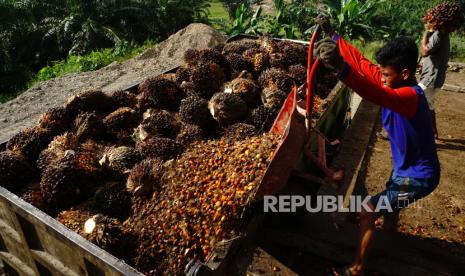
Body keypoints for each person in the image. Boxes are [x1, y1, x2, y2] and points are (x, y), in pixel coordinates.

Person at [314, 15, 441, 276]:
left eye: (386, 74)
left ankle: (357, 268)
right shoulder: (393, 80)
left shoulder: (408, 96)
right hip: (404, 170)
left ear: (405, 73)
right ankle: (383, 223)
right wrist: (334, 37)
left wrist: (340, 68)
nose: (380, 77)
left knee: (370, 210)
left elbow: (377, 93)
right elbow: (362, 63)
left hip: (419, 178)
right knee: (381, 202)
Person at [418, 22, 450, 138]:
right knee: (428, 104)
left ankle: (414, 134)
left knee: (415, 101)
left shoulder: (437, 34)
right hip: (435, 77)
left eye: (428, 21)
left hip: (430, 77)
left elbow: (425, 51)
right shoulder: (443, 35)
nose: (426, 23)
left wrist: (425, 35)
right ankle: (433, 131)